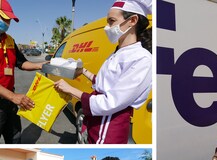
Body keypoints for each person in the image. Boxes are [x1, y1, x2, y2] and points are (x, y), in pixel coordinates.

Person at [54, 0, 152, 144]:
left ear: (132, 20)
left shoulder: (141, 59)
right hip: (97, 122)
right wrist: (83, 71)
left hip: (109, 126)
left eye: (111, 21)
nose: (107, 27)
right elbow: (104, 83)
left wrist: (70, 90)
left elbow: (110, 102)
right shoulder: (118, 52)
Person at [0, 0, 47, 144]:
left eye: (9, 19)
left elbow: (21, 63)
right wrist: (13, 96)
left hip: (9, 102)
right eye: (4, 18)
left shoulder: (9, 40)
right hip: (9, 97)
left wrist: (42, 65)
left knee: (15, 139)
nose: (7, 22)